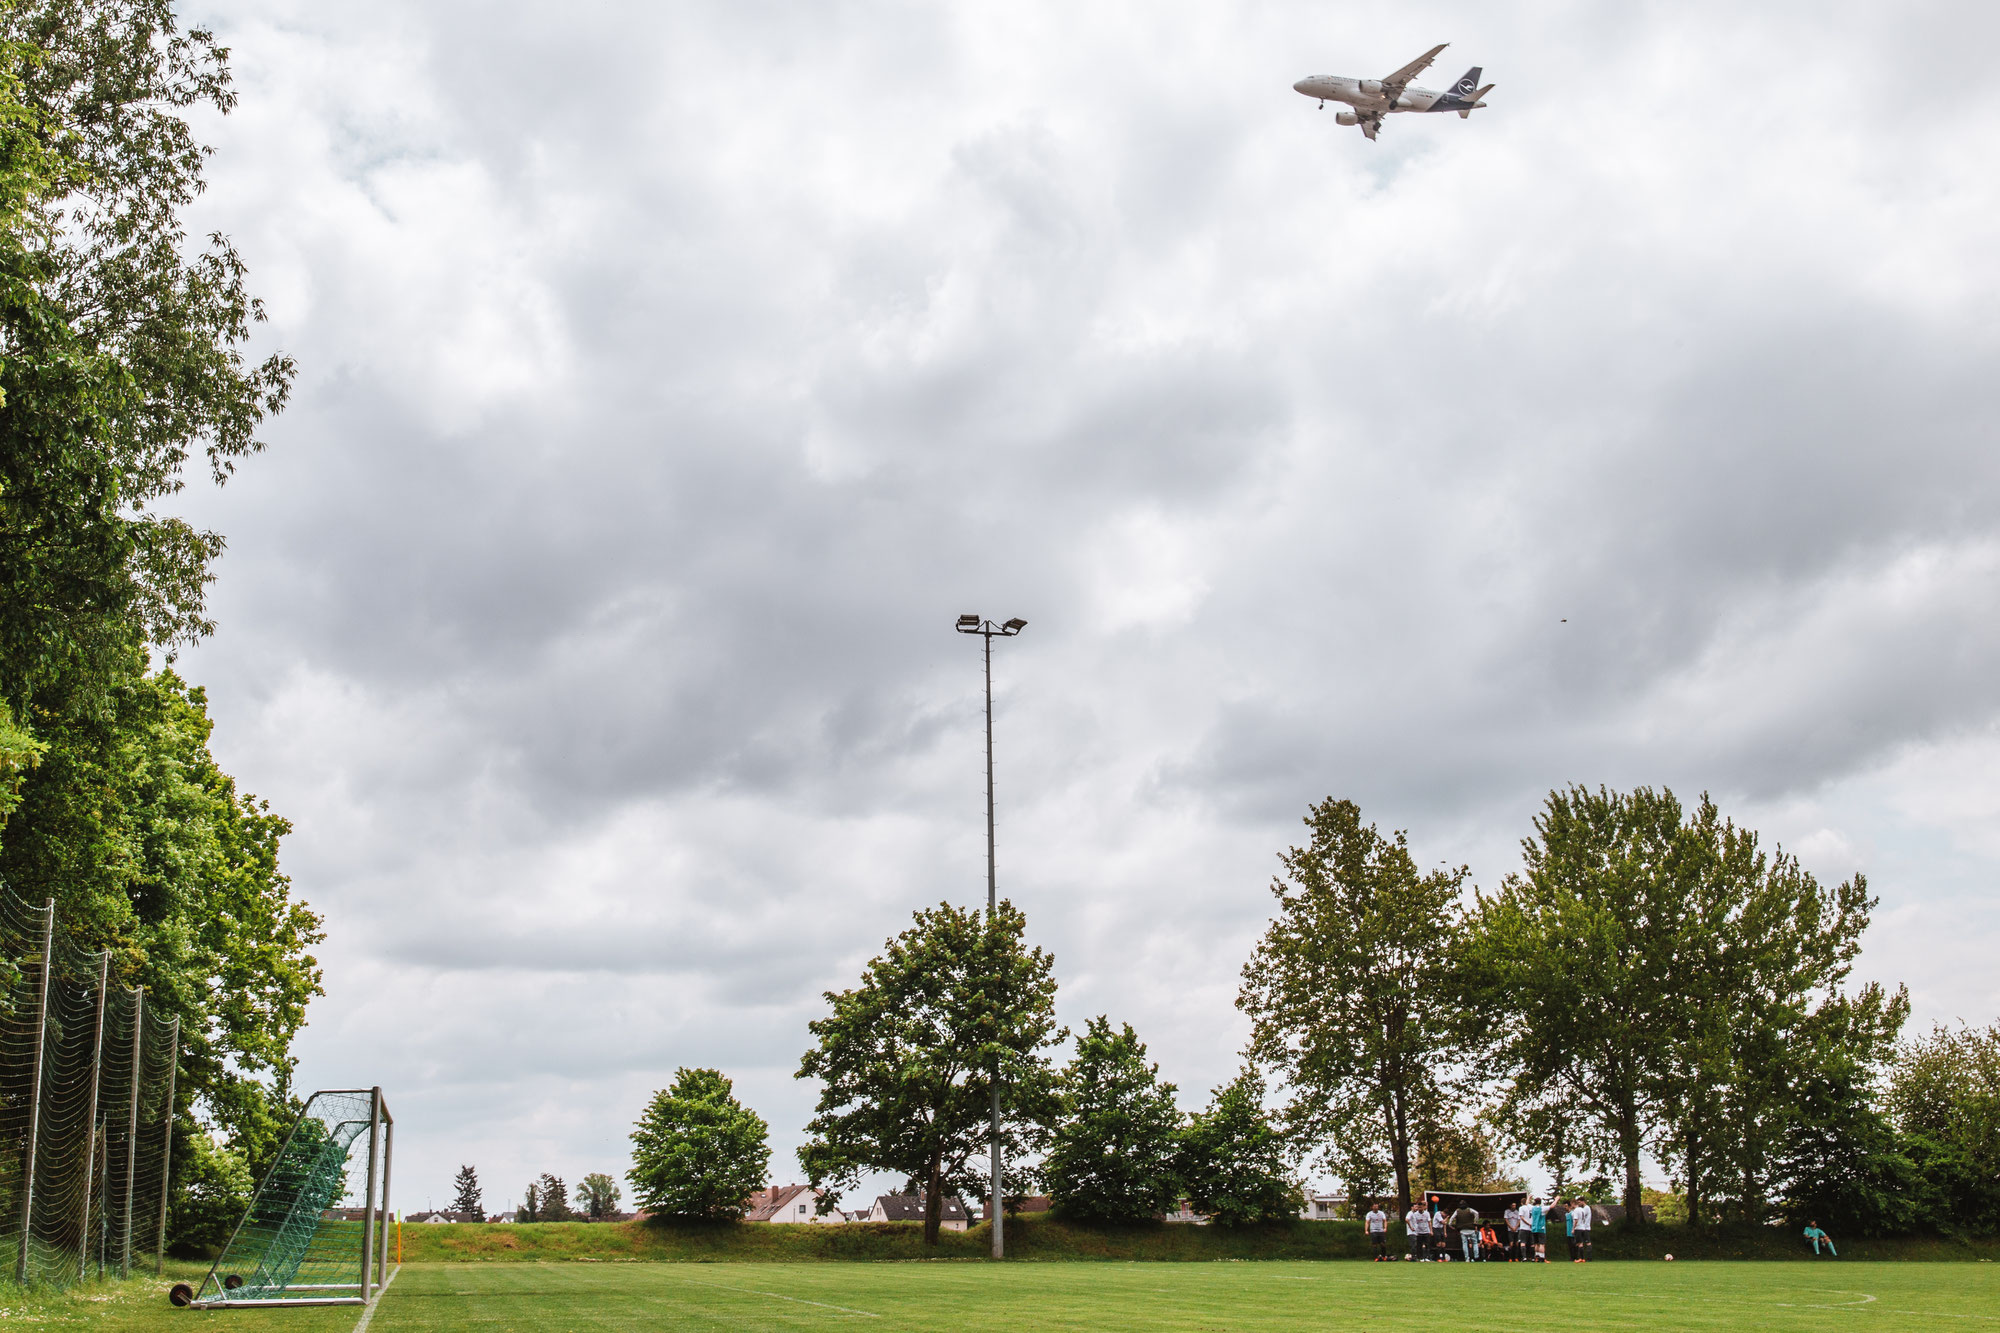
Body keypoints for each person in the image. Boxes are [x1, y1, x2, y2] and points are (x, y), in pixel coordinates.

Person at [1528, 1197, 1548, 1262]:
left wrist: (1528, 1197)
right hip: (1541, 1228)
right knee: (1542, 1244)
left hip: (1534, 1228)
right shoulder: (1542, 1208)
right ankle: (1542, 1258)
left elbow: (1526, 1203)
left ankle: (1536, 1257)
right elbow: (1552, 1206)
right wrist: (1556, 1200)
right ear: (1540, 1202)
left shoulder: (1532, 1208)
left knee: (1536, 1243)